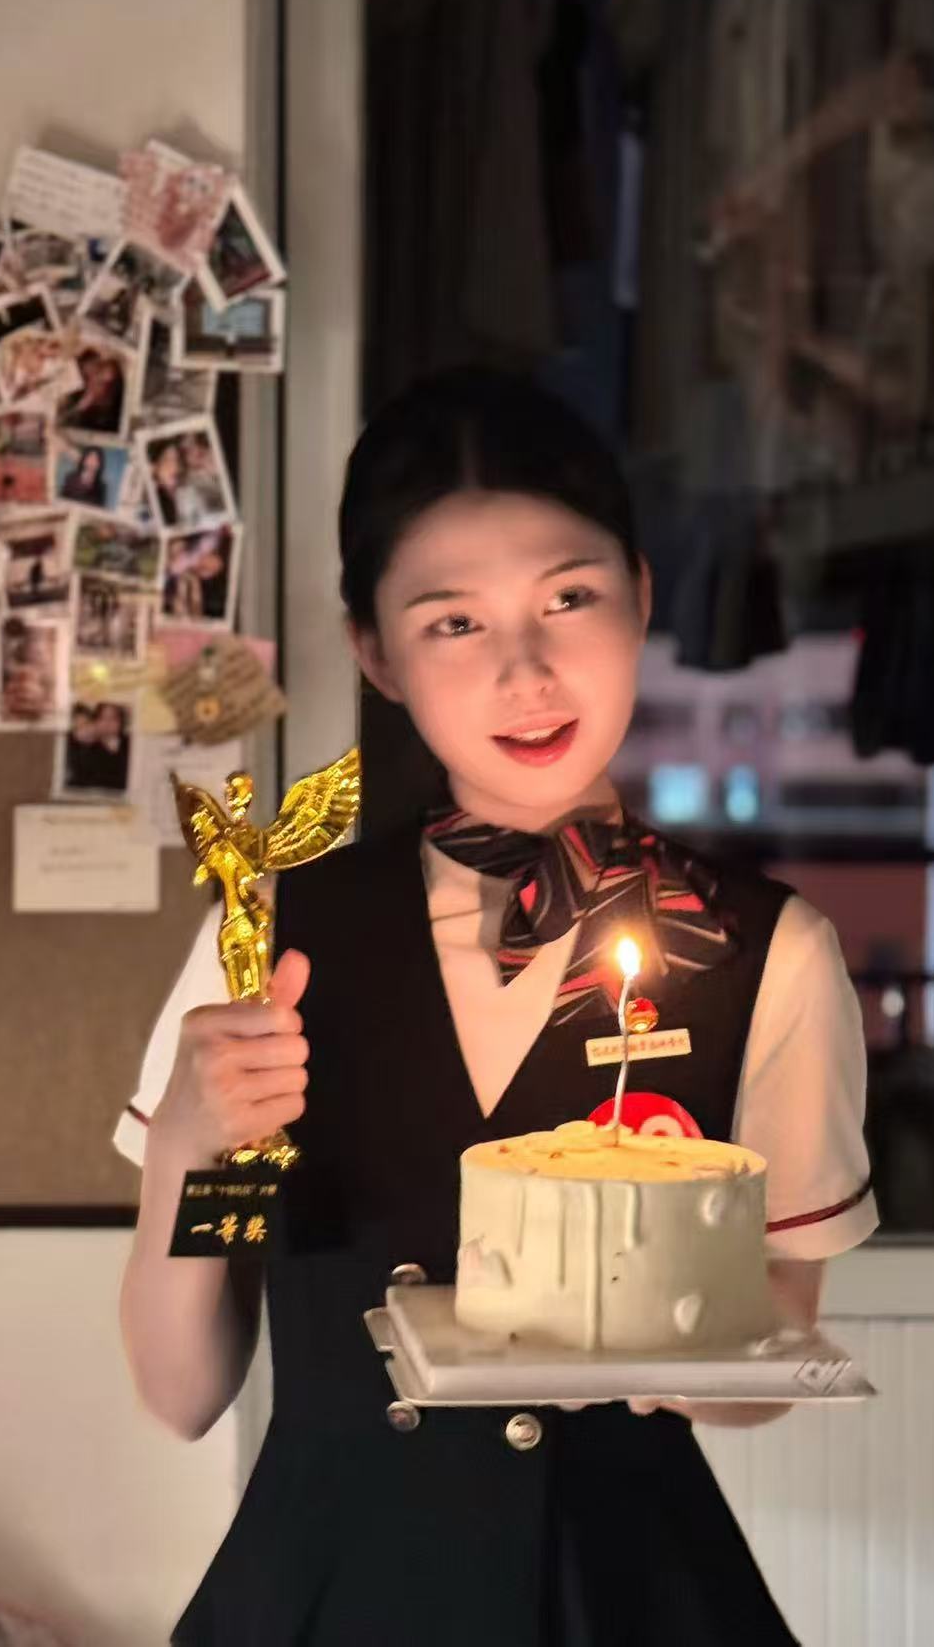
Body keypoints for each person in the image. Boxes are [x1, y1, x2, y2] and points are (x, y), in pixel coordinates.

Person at [116, 367, 879, 1645]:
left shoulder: (770, 955)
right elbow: (180, 1391)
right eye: (453, 622)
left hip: (625, 1598)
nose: (525, 670)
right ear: (375, 652)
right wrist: (188, 1153)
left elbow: (766, 1367)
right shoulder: (271, 942)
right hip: (332, 1595)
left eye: (568, 598)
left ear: (640, 596)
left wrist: (643, 1341)